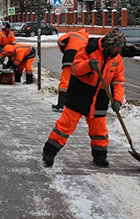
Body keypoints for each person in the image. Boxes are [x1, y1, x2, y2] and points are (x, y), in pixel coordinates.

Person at [42, 27, 126, 168]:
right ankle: (49, 153)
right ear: (110, 44)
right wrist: (88, 65)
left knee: (99, 130)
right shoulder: (89, 49)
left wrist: (117, 100)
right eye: (117, 47)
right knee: (65, 126)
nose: (118, 51)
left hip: (100, 96)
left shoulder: (117, 59)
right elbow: (75, 68)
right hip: (80, 93)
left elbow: (118, 81)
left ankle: (100, 156)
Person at [52, 28, 89, 112]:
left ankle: (60, 105)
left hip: (68, 59)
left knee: (65, 82)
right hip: (79, 62)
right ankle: (76, 105)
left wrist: (64, 50)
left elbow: (60, 40)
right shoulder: (86, 40)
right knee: (77, 83)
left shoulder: (72, 34)